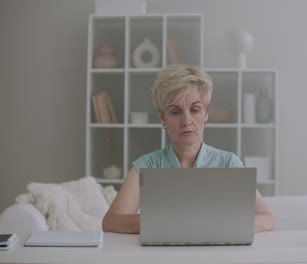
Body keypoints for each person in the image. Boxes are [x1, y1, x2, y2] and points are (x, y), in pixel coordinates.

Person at [102, 64, 275, 234]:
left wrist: (214, 223)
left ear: (206, 114)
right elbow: (111, 222)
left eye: (195, 109)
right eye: (175, 112)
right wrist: (169, 221)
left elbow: (267, 219)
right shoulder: (145, 166)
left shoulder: (228, 163)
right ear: (163, 119)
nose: (186, 121)